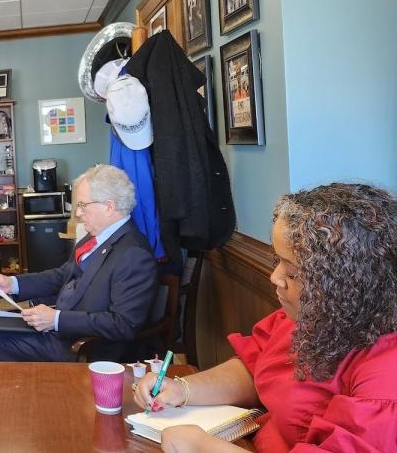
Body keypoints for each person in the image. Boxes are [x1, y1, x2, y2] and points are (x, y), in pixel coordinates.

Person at [133, 183, 397, 452]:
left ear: (345, 284)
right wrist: (183, 390)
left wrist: (202, 447)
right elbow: (256, 366)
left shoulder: (387, 373)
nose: (275, 278)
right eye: (277, 261)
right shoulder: (310, 314)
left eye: (293, 273)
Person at [0, 164, 157, 362]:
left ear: (109, 206)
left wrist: (56, 319)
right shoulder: (95, 237)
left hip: (82, 346)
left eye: (82, 205)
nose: (78, 214)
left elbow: (122, 324)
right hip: (58, 329)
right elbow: (62, 275)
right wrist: (13, 284)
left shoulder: (134, 254)